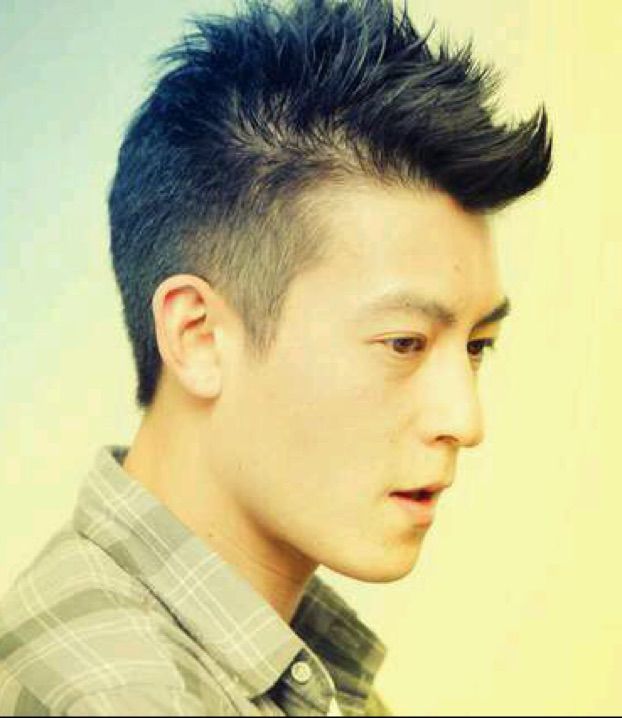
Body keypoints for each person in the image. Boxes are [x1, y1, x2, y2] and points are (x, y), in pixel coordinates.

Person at [0, 0, 552, 714]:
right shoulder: (120, 697)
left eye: (477, 346)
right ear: (199, 336)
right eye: (404, 343)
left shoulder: (271, 666)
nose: (465, 420)